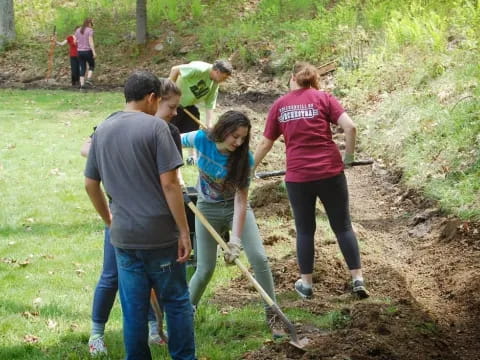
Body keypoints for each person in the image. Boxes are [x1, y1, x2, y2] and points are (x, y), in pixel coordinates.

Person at [84, 71, 195, 360]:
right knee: (177, 301)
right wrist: (184, 231)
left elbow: (90, 184)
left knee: (133, 307)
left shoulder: (103, 129)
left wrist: (109, 219)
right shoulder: (156, 128)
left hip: (123, 236)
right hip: (159, 236)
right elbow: (170, 184)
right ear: (151, 98)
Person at [253, 62, 369, 300]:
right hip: (330, 172)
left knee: (305, 231)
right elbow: (351, 127)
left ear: (292, 78)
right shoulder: (324, 98)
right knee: (343, 226)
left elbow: (266, 143)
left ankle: (306, 285)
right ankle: (357, 279)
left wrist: (248, 169)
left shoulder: (280, 105)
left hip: (298, 176)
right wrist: (348, 158)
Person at [181, 110, 285, 338]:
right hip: (207, 208)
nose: (238, 142)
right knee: (205, 268)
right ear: (223, 129)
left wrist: (235, 240)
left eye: (242, 138)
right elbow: (170, 141)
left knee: (259, 257)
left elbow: (241, 200)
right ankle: (184, 315)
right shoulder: (201, 139)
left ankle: (273, 315)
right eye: (234, 136)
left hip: (234, 208)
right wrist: (172, 172)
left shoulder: (244, 158)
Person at [169, 60, 232, 165]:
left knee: (193, 127)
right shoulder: (200, 69)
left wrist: (209, 124)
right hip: (175, 104)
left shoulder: (214, 83)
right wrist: (169, 93)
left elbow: (210, 103)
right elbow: (175, 69)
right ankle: (167, 154)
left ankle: (191, 157)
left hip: (188, 105)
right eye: (224, 77)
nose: (224, 80)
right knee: (171, 130)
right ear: (217, 72)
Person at [75, 18, 96, 89]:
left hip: (79, 52)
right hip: (87, 51)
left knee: (82, 68)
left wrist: (81, 43)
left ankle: (82, 85)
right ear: (89, 23)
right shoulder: (90, 30)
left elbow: (75, 41)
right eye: (92, 24)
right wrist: (94, 52)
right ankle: (89, 79)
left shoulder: (78, 30)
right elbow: (91, 42)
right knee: (92, 65)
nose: (92, 25)